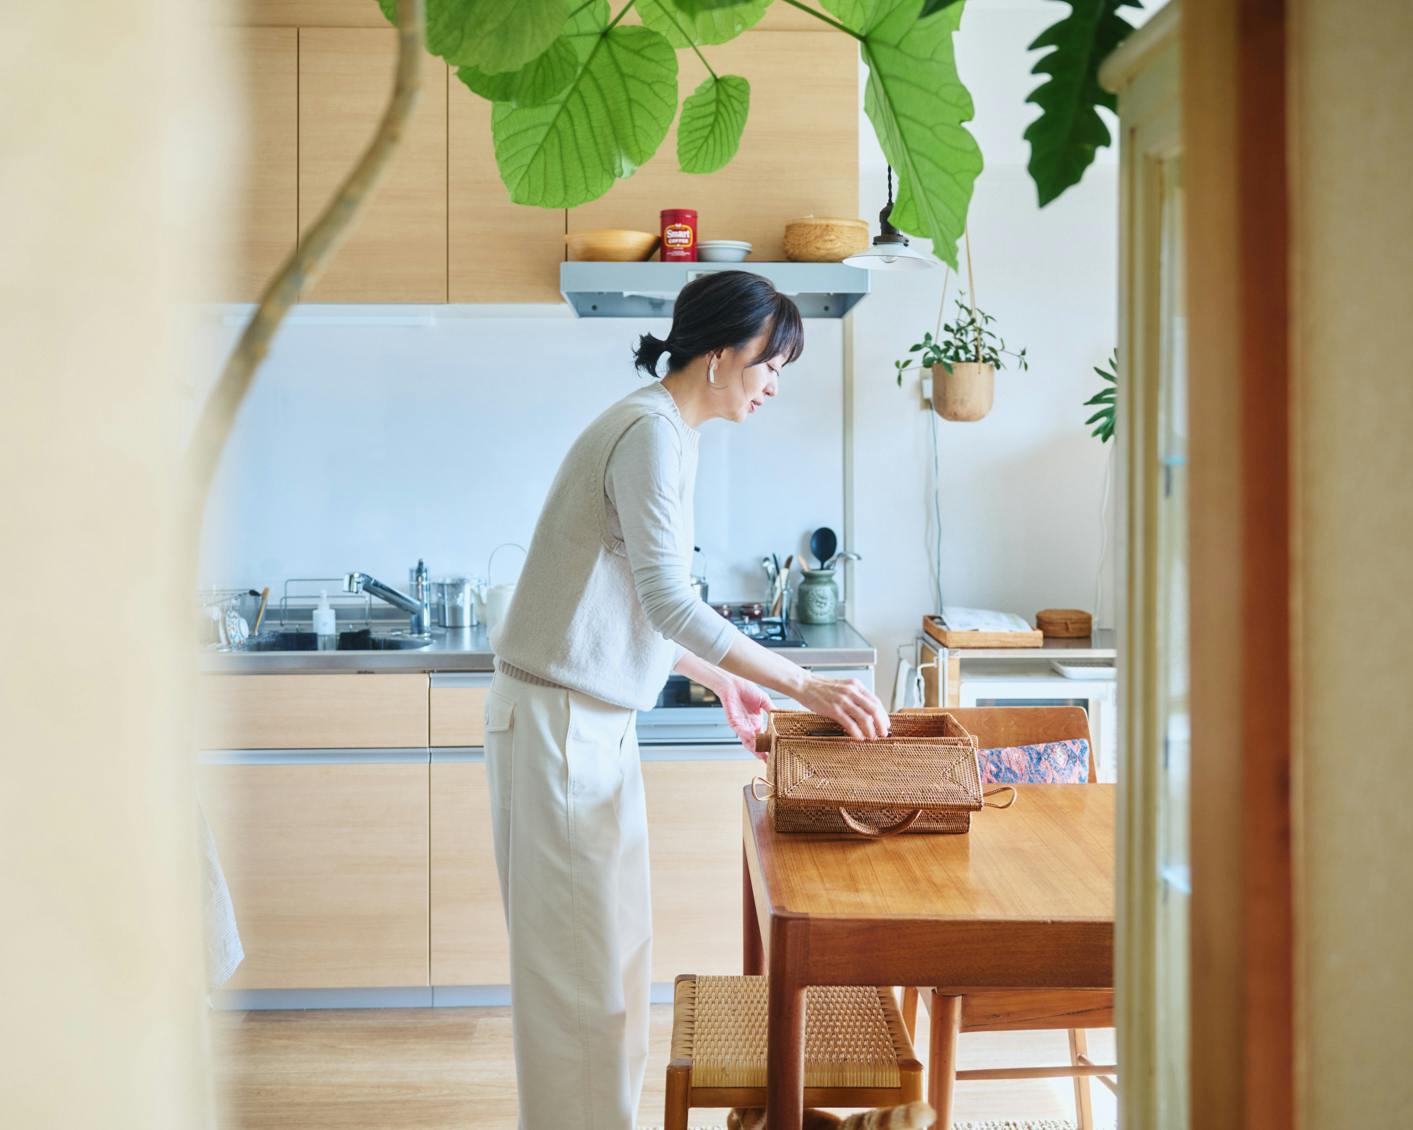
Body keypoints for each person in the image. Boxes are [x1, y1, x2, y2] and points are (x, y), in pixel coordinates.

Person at [483, 270, 891, 1129]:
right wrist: (804, 684)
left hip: (587, 724)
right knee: (577, 983)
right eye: (768, 363)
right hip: (561, 724)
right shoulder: (649, 434)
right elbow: (670, 601)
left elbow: (637, 606)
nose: (775, 382)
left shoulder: (668, 430)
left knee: (615, 963)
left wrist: (730, 684)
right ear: (718, 355)